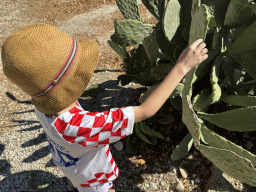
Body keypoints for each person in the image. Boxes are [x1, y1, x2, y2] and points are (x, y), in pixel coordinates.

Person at [1, 23, 208, 192]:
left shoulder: (41, 106)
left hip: (68, 163)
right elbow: (146, 110)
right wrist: (182, 67)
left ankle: (76, 182)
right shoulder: (84, 127)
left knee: (76, 175)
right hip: (94, 180)